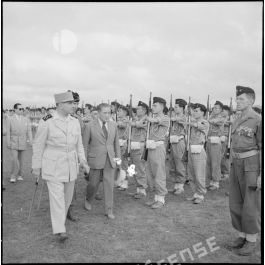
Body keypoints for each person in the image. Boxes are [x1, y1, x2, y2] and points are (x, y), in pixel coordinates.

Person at [32, 91, 89, 242]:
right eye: (69, 103)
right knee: (57, 197)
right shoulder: (47, 120)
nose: (73, 106)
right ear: (59, 105)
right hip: (53, 164)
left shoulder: (75, 121)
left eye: (73, 103)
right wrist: (36, 166)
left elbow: (79, 144)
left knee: (67, 197)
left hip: (71, 164)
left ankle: (60, 221)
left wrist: (83, 161)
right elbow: (38, 144)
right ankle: (60, 230)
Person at [228, 86, 261, 256]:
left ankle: (251, 239)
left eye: (241, 99)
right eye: (237, 99)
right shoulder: (236, 119)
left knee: (251, 203)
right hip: (237, 163)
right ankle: (241, 235)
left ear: (251, 101)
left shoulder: (258, 119)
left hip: (251, 165)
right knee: (235, 200)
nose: (237, 102)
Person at [83, 103, 121, 219]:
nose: (107, 115)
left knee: (109, 185)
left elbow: (116, 145)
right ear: (98, 113)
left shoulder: (113, 125)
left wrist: (118, 162)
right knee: (93, 184)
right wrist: (84, 162)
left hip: (110, 159)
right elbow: (84, 145)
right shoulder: (89, 126)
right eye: (105, 112)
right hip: (95, 159)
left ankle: (109, 210)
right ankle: (89, 199)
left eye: (109, 112)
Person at [144, 97, 170, 209]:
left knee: (159, 173)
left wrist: (147, 117)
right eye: (152, 105)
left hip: (158, 148)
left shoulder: (165, 118)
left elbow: (155, 121)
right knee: (150, 174)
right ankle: (155, 197)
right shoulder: (153, 118)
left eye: (155, 105)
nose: (152, 107)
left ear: (162, 106)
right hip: (150, 147)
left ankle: (161, 198)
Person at [186, 103, 209, 204]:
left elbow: (199, 126)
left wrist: (189, 123)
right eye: (194, 111)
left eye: (196, 111)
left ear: (202, 112)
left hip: (199, 150)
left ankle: (200, 194)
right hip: (191, 149)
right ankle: (195, 193)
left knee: (199, 174)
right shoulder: (193, 122)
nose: (194, 113)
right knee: (191, 174)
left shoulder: (205, 122)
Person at [6, 103, 33, 183]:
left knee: (21, 160)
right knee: (15, 159)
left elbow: (29, 131)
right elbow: (8, 132)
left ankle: (20, 175)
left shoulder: (26, 119)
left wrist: (30, 141)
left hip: (23, 141)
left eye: (22, 109)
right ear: (15, 109)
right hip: (13, 141)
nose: (21, 110)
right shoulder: (10, 119)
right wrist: (8, 142)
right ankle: (13, 175)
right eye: (20, 109)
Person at [129, 101, 148, 199]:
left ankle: (142, 190)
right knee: (134, 168)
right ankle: (138, 189)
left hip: (140, 145)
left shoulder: (146, 119)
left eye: (139, 109)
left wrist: (132, 122)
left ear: (144, 110)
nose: (137, 110)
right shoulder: (137, 118)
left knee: (140, 168)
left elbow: (137, 124)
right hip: (134, 145)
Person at [168, 98, 187, 195]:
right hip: (172, 142)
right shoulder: (173, 117)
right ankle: (176, 185)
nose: (174, 108)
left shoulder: (184, 117)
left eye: (176, 107)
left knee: (179, 164)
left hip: (179, 142)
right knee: (172, 164)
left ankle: (181, 186)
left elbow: (180, 120)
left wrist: (173, 118)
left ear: (182, 108)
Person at [206, 101, 226, 190]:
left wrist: (207, 120)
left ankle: (216, 182)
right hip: (209, 140)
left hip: (216, 141)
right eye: (214, 108)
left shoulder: (222, 117)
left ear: (221, 110)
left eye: (217, 108)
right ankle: (211, 181)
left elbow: (213, 121)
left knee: (215, 162)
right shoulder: (211, 116)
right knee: (209, 162)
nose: (214, 109)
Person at [220, 105, 232, 180]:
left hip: (226, 138)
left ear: (227, 112)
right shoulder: (221, 118)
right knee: (220, 156)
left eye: (223, 111)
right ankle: (221, 172)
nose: (222, 112)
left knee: (225, 156)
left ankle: (226, 173)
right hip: (220, 138)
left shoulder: (230, 118)